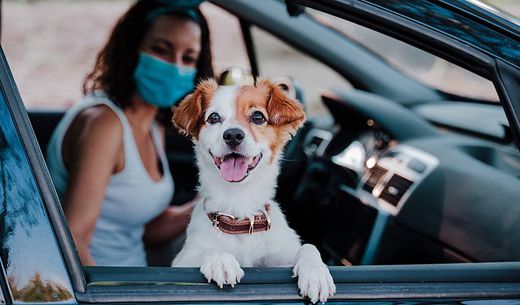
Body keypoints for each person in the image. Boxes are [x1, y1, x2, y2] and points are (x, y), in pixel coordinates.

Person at [46, 0, 213, 266]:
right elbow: (74, 241)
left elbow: (141, 231)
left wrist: (209, 203)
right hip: (104, 289)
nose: (175, 66)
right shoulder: (104, 123)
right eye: (161, 50)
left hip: (134, 277)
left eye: (188, 58)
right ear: (132, 50)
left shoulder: (152, 122)